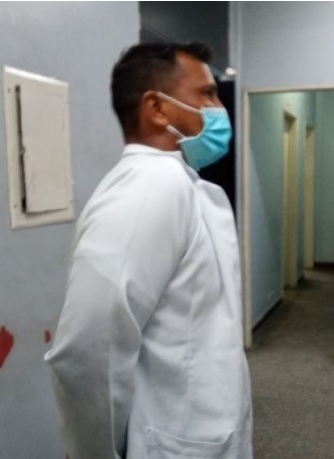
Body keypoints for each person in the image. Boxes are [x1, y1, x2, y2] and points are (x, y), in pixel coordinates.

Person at [44, 42, 252, 459]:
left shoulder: (181, 184)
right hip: (172, 442)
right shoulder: (151, 186)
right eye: (207, 94)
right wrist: (93, 454)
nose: (219, 109)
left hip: (200, 429)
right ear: (157, 108)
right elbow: (89, 346)